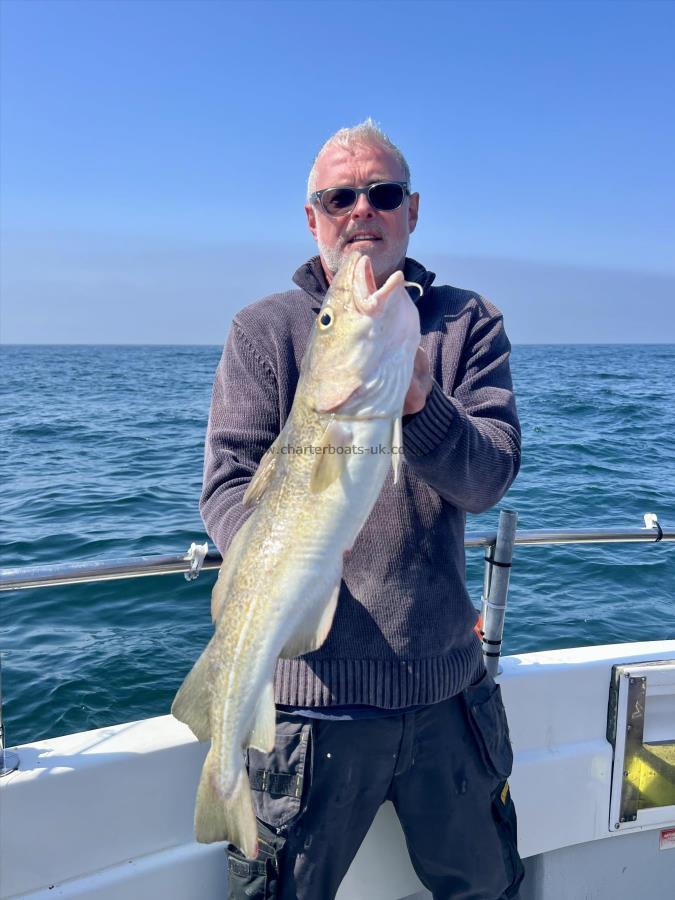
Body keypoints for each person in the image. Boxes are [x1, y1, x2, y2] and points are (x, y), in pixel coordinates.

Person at [200, 119, 524, 900]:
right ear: (311, 217)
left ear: (411, 210)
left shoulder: (466, 321)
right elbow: (226, 487)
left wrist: (419, 401)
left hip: (448, 695)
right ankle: (223, 784)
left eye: (380, 194)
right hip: (309, 711)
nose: (360, 211)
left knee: (487, 890)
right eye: (337, 197)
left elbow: (486, 480)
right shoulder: (262, 330)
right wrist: (287, 548)